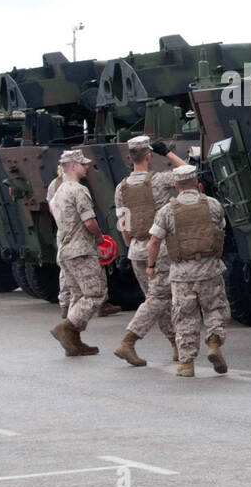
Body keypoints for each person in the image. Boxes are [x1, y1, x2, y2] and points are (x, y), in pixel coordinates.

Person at [146, 164, 229, 377]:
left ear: (175, 186)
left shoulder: (166, 211)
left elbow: (154, 241)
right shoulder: (213, 205)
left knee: (184, 317)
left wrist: (151, 266)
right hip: (210, 269)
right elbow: (221, 231)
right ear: (196, 183)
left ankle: (187, 364)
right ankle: (213, 343)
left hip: (182, 274)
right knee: (214, 309)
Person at [113, 136, 187, 366]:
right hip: (160, 248)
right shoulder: (159, 180)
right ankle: (128, 341)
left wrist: (130, 247)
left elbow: (123, 225)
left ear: (129, 157)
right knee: (159, 298)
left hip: (136, 249)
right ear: (148, 155)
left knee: (156, 299)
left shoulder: (121, 188)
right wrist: (166, 153)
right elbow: (187, 171)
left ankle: (176, 344)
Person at [49, 149, 108, 356]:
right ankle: (66, 328)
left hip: (65, 250)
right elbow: (89, 221)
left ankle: (73, 341)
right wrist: (99, 237)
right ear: (73, 166)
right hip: (81, 249)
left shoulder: (57, 192)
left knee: (78, 295)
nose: (87, 167)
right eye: (83, 164)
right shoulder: (78, 190)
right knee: (95, 294)